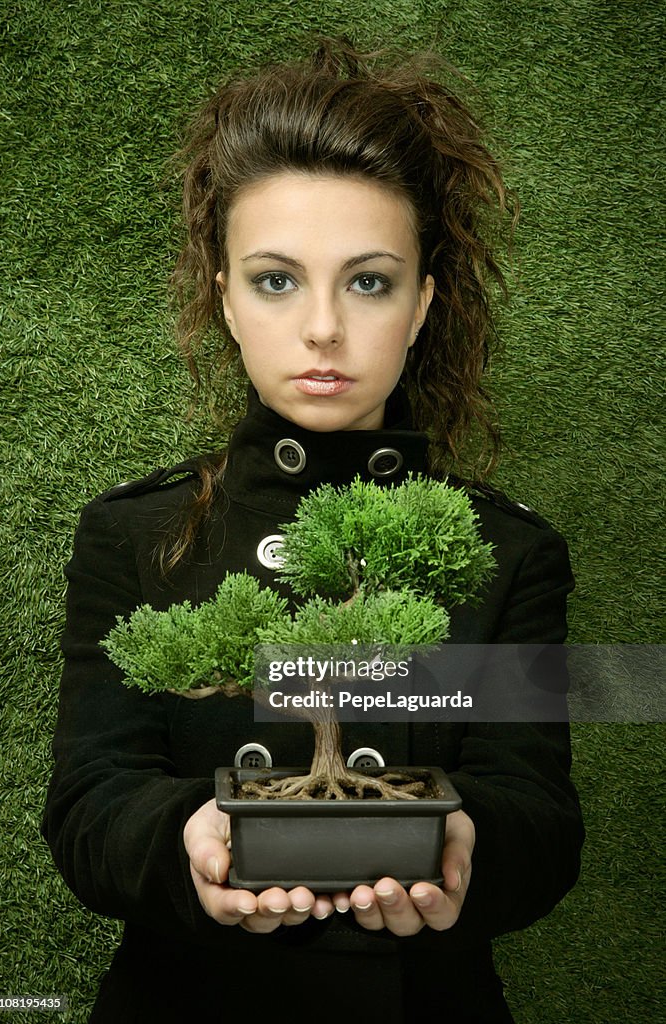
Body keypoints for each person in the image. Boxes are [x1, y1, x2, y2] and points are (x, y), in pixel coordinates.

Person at [41, 37, 584, 1023]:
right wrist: (189, 839)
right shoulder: (139, 534)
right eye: (276, 279)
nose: (323, 328)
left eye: (368, 281)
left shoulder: (504, 551)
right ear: (226, 302)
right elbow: (89, 798)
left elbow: (539, 812)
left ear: (421, 304)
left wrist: (463, 842)